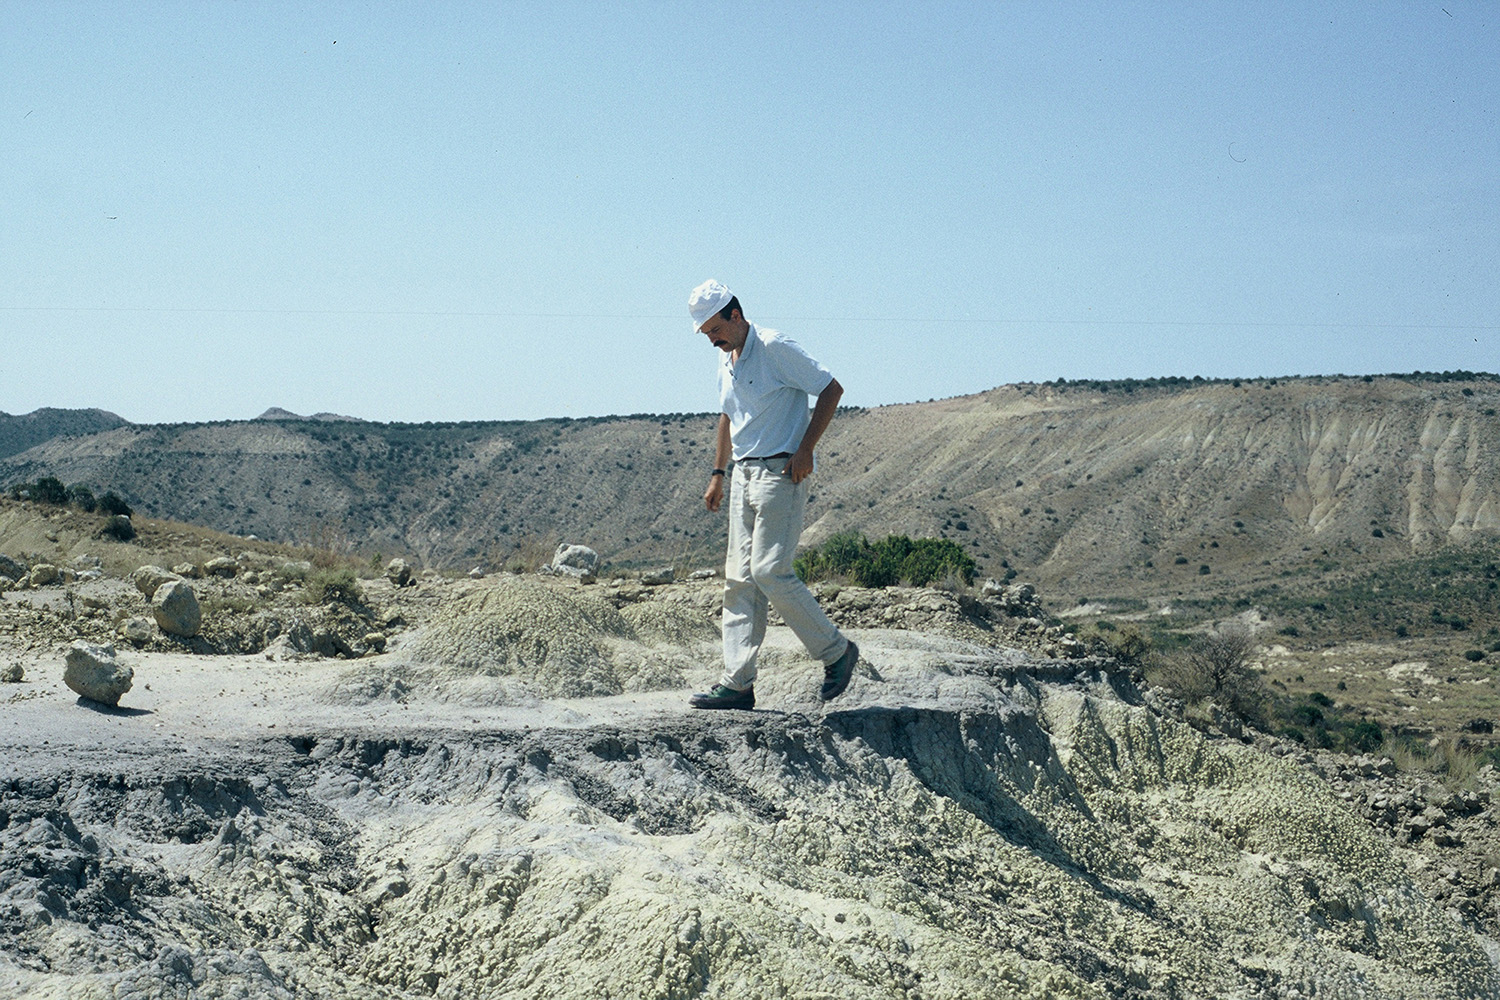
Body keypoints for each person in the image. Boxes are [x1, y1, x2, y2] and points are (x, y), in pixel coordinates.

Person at [687, 279, 860, 710]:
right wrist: (718, 474)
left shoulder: (775, 347)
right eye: (706, 333)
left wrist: (806, 450)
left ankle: (837, 652)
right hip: (743, 475)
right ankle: (737, 683)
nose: (711, 340)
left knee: (769, 571)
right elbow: (728, 416)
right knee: (738, 580)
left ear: (736, 315)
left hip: (781, 472)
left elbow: (831, 389)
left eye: (715, 329)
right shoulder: (726, 358)